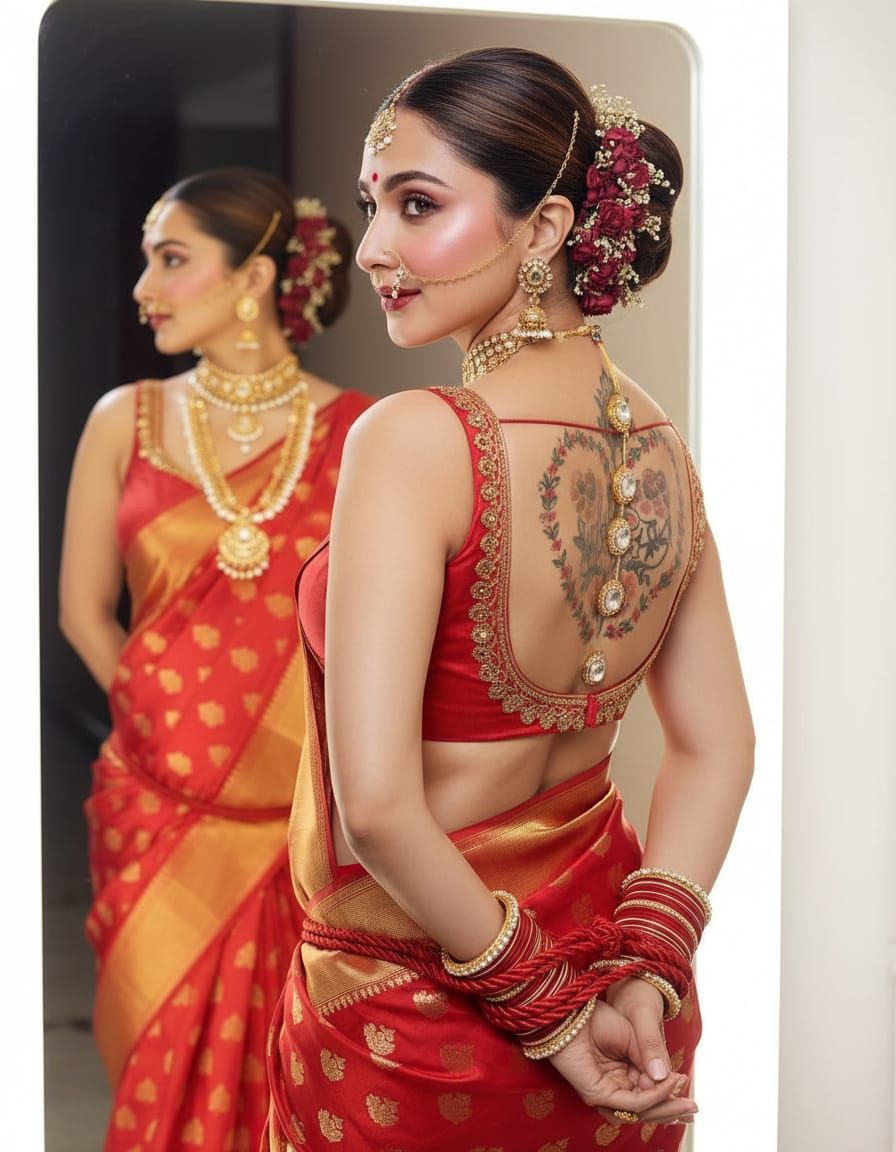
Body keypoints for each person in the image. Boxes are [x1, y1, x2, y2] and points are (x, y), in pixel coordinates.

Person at [265, 47, 753, 1152]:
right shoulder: (664, 448)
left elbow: (380, 806)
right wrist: (646, 972)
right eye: (370, 205)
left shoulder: (414, 439)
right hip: (621, 1007)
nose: (375, 249)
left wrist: (544, 1009)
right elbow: (718, 746)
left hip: (418, 1013)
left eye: (417, 203)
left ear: (543, 230)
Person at [59, 168, 372, 1152]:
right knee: (158, 1077)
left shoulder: (360, 435)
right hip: (156, 808)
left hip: (306, 830)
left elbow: (381, 639)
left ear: (254, 278)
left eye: (171, 258)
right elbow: (81, 612)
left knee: (296, 1088)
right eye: (148, 258)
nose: (144, 287)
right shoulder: (127, 418)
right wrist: (165, 730)